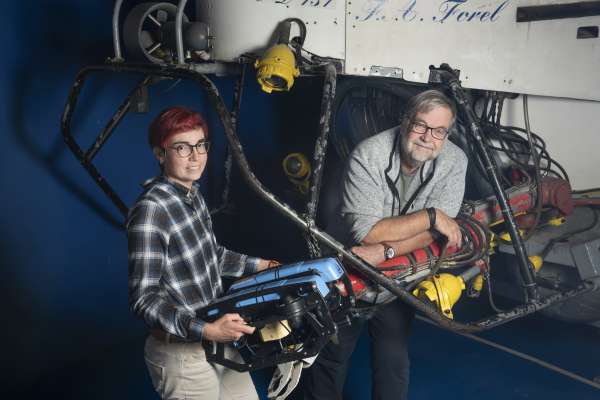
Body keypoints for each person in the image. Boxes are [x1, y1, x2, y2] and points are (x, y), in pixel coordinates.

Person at [303, 89, 468, 400]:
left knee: (393, 360)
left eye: (439, 131)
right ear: (405, 121)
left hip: (397, 278)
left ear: (447, 134)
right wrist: (432, 216)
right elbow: (367, 233)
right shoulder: (368, 155)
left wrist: (387, 251)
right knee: (331, 358)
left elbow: (438, 234)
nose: (427, 137)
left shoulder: (454, 161)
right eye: (420, 125)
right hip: (346, 272)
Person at [127, 106, 278, 400]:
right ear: (160, 154)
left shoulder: (192, 195)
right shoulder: (151, 210)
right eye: (182, 147)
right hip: (182, 352)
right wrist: (206, 330)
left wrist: (265, 265)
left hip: (218, 338)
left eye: (200, 145)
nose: (195, 156)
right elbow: (144, 298)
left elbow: (213, 257)